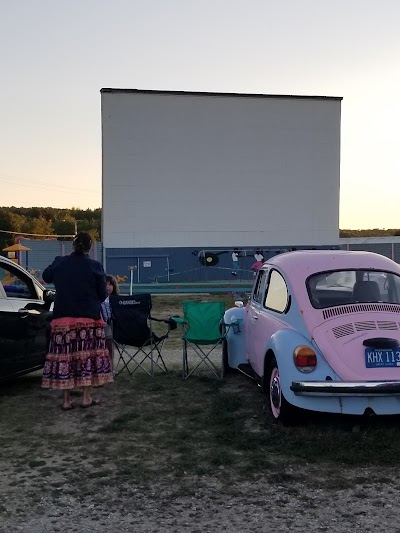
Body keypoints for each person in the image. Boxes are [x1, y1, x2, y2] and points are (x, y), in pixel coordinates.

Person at [41, 232, 113, 410]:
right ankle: (86, 397)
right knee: (85, 356)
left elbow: (46, 276)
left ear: (73, 246)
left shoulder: (59, 262)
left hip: (62, 318)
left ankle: (66, 400)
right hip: (89, 318)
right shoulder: (95, 266)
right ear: (89, 248)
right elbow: (103, 294)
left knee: (65, 357)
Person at [101, 275, 119, 370]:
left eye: (110, 284)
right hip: (102, 326)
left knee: (108, 333)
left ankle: (110, 367)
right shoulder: (98, 300)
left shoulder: (117, 300)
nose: (107, 287)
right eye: (105, 284)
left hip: (115, 327)